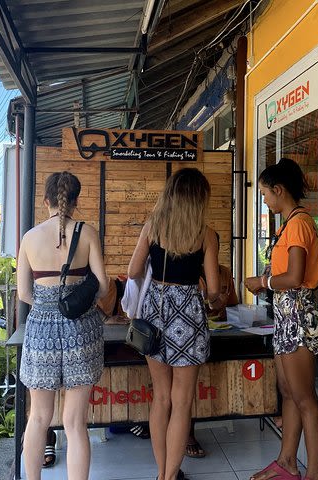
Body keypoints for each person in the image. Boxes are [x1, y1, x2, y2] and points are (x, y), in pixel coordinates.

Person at [127, 168, 222, 480]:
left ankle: (160, 473)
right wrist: (213, 299)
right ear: (199, 199)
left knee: (161, 398)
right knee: (182, 403)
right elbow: (211, 290)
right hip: (189, 317)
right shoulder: (206, 234)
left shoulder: (153, 225)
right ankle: (170, 476)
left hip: (155, 313)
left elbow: (133, 270)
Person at [17, 171, 109, 480]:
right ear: (76, 201)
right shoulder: (87, 233)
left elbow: (24, 293)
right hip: (80, 329)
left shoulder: (29, 238)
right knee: (74, 423)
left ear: (46, 201)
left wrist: (46, 306)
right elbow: (104, 286)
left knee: (38, 418)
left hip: (40, 330)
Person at [244, 158, 318, 480]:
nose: (265, 200)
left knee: (305, 398)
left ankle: (315, 473)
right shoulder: (288, 224)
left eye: (265, 194)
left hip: (299, 318)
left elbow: (293, 277)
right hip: (286, 317)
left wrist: (262, 283)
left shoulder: (299, 225)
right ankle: (287, 462)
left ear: (279, 190)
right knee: (289, 393)